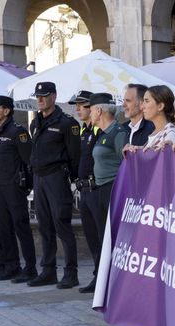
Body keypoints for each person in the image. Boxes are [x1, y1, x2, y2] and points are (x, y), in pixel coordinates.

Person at [28, 81, 81, 289]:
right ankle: (48, 271)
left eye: (44, 96)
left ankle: (71, 272)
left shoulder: (67, 123)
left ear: (54, 97)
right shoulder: (36, 122)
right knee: (44, 226)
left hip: (57, 177)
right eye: (37, 96)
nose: (40, 100)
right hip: (39, 178)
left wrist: (74, 182)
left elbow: (75, 156)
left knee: (62, 224)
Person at [0, 96, 36, 282]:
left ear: (6, 111)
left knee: (21, 227)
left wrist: (26, 187)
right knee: (4, 228)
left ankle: (30, 268)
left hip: (15, 188)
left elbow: (29, 162)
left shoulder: (17, 132)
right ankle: (11, 266)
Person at [71, 90, 103, 293]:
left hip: (97, 188)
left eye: (82, 105)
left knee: (100, 235)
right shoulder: (84, 129)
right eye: (77, 105)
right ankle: (96, 274)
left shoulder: (101, 129)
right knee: (90, 235)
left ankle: (102, 277)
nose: (78, 109)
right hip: (84, 188)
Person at [89, 93, 129, 221]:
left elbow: (125, 163)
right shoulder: (103, 133)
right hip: (100, 188)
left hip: (113, 189)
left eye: (91, 111)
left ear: (99, 111)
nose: (90, 114)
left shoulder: (118, 132)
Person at [140, 85, 175, 151]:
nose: (142, 106)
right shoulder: (159, 132)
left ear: (160, 106)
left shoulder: (170, 135)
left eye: (147, 101)